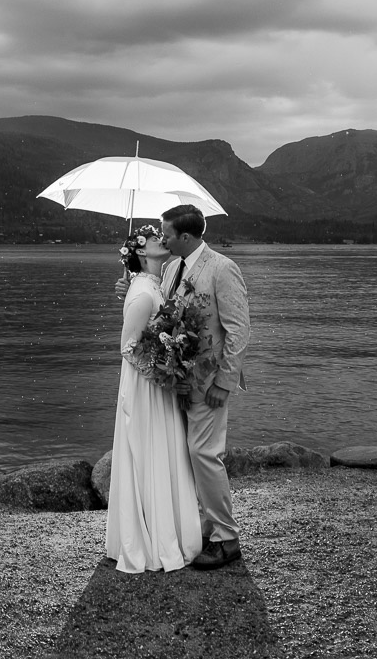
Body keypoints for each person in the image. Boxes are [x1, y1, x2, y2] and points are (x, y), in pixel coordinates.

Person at [104, 224, 204, 573]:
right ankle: (151, 537)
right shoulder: (144, 293)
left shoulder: (157, 283)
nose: (159, 237)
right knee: (149, 451)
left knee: (159, 451)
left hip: (157, 385)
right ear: (140, 251)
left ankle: (163, 527)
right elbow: (127, 347)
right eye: (149, 236)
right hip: (147, 388)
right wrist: (162, 373)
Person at [157, 203, 250, 570]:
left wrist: (224, 383)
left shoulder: (222, 269)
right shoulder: (170, 269)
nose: (162, 240)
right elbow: (165, 319)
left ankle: (227, 539)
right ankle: (204, 528)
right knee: (189, 455)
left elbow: (238, 330)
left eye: (166, 234)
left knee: (204, 455)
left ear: (185, 236)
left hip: (210, 382)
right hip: (180, 382)